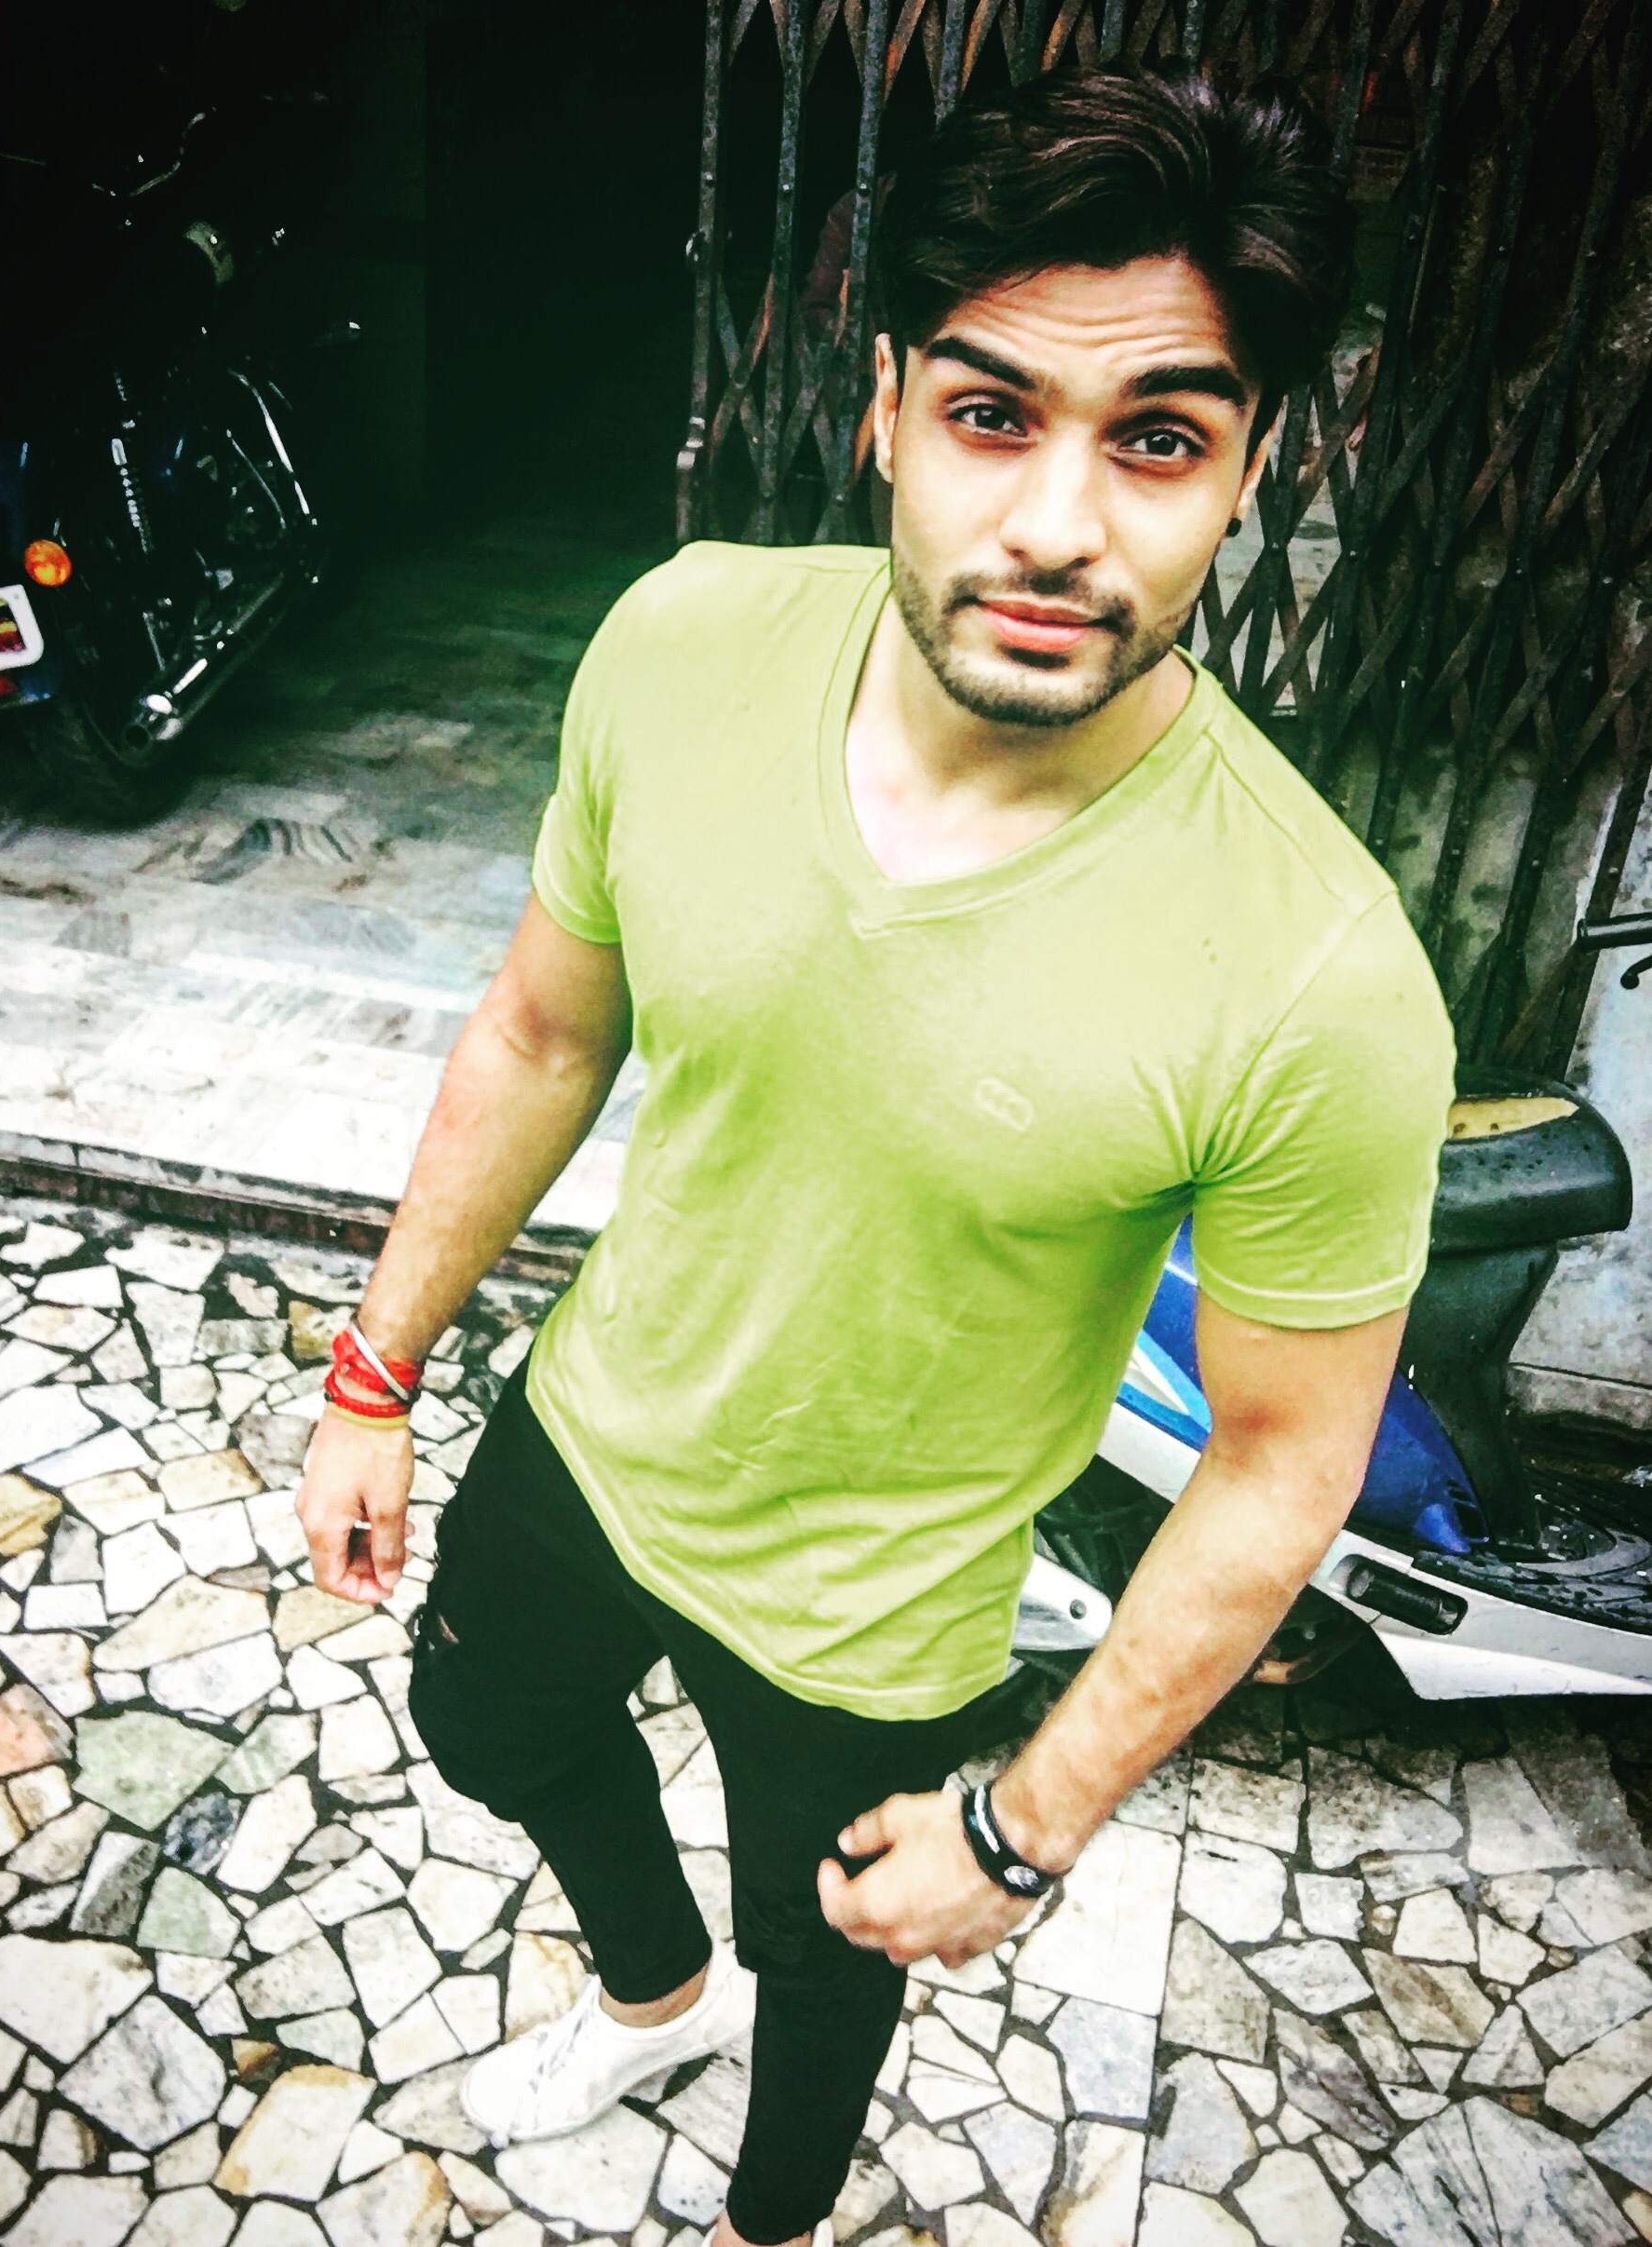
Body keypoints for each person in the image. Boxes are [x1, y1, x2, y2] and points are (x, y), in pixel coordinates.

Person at [295, 61, 1455, 2247]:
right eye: (994, 413)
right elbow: (545, 1026)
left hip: (875, 1611)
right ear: (889, 406)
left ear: (1256, 470)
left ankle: (772, 2215)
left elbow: (1283, 1462)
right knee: (486, 1730)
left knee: (833, 1956)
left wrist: (1024, 1824)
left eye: (1159, 439)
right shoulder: (685, 645)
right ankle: (649, 1995)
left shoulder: (1320, 971)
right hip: (597, 1432)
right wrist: (373, 1371)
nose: (1059, 525)